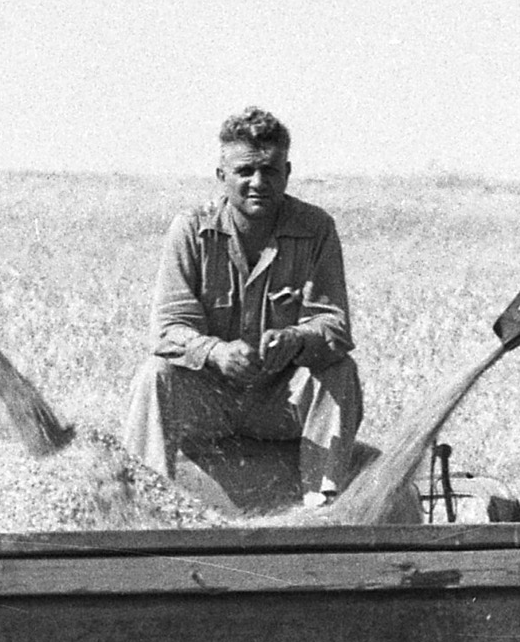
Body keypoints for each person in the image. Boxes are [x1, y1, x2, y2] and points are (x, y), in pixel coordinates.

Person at [134, 107, 364, 512]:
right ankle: (145, 502)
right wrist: (216, 352)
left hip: (278, 404)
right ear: (222, 176)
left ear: (287, 173)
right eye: (245, 171)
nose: (258, 183)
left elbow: (335, 327)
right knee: (155, 375)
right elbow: (168, 329)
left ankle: (321, 504)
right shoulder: (191, 229)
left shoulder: (316, 229)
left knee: (341, 372)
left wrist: (297, 339)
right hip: (208, 403)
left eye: (270, 171)